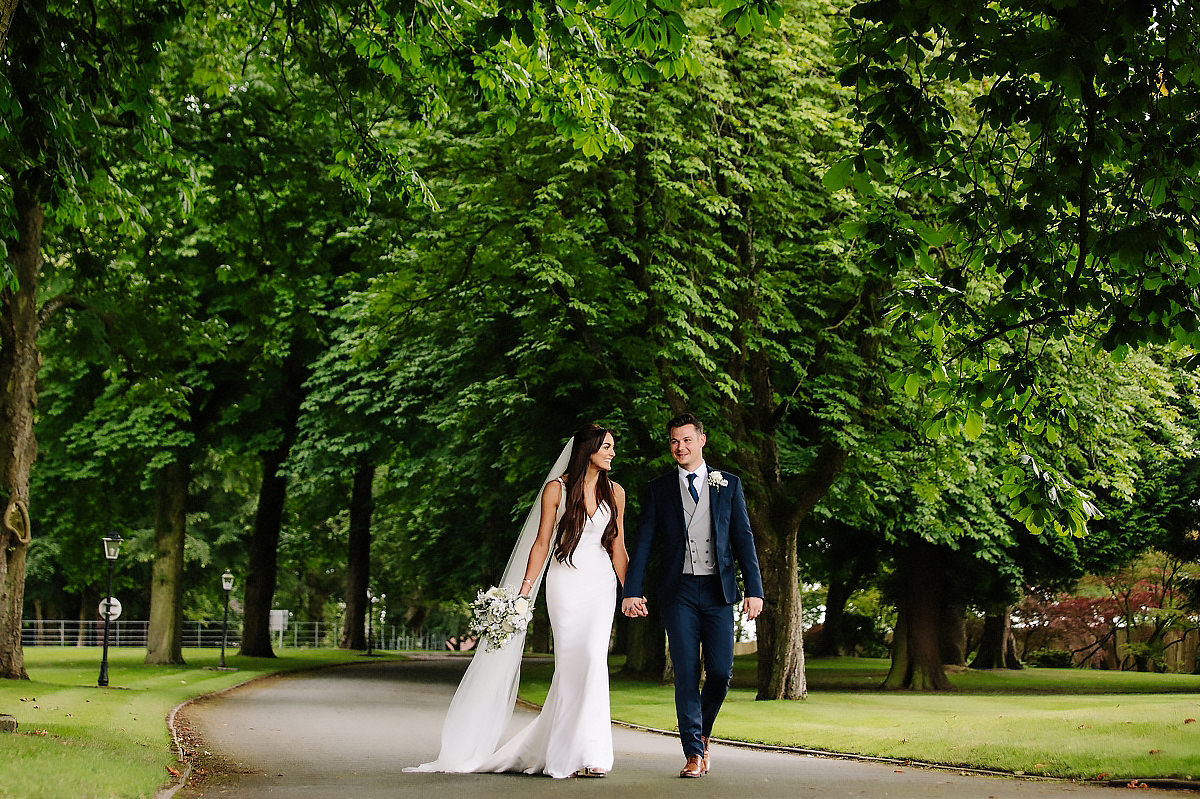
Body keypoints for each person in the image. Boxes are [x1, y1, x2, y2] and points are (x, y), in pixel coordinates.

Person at [407, 424, 628, 779]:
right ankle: (566, 751)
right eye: (607, 446)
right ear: (588, 450)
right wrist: (523, 595)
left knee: (593, 659)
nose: (612, 453)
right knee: (571, 665)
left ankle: (592, 752)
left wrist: (631, 590)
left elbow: (618, 547)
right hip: (565, 583)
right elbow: (541, 544)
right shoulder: (555, 490)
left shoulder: (615, 492)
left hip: (600, 585)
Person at [621, 412, 764, 778]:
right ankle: (693, 753)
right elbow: (645, 542)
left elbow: (743, 539)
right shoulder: (659, 489)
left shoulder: (728, 484)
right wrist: (631, 590)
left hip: (718, 591)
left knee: (720, 671)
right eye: (673, 441)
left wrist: (755, 590)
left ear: (702, 440)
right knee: (686, 672)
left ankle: (702, 732)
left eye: (686, 440)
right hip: (678, 590)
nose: (679, 447)